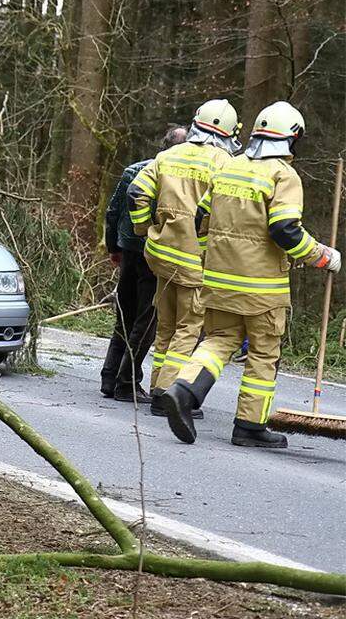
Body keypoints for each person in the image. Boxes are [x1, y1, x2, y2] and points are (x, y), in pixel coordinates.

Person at [161, 101, 341, 449]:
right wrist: (322, 257)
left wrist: (207, 255)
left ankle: (182, 392)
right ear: (293, 137)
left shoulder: (230, 168)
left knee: (217, 342)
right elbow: (285, 231)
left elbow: (200, 219)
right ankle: (249, 426)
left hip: (218, 280)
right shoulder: (283, 176)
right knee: (262, 353)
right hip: (261, 288)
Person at [128, 99, 241, 418]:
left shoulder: (168, 156)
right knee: (189, 329)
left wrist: (144, 227)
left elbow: (137, 192)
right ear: (229, 133)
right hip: (196, 261)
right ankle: (167, 394)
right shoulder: (224, 162)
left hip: (162, 255)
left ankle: (156, 386)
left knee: (166, 326)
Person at [100, 125, 188, 401]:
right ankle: (126, 382)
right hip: (151, 254)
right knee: (146, 321)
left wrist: (113, 246)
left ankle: (109, 375)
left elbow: (112, 212)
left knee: (125, 315)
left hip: (128, 251)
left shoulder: (133, 170)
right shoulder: (174, 177)